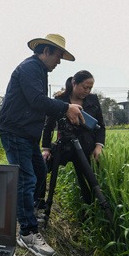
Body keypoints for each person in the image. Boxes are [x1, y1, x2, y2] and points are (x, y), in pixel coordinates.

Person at [0, 34, 84, 256]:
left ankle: (30, 213)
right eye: (58, 56)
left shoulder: (39, 70)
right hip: (15, 132)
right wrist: (66, 107)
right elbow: (36, 100)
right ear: (45, 51)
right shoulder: (30, 68)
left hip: (26, 133)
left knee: (39, 171)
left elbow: (38, 104)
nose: (59, 62)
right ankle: (26, 233)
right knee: (26, 179)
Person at [41, 70, 106, 205]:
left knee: (88, 182)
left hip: (86, 147)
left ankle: (89, 210)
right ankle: (39, 201)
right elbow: (48, 126)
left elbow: (101, 125)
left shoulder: (93, 100)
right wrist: (46, 148)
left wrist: (99, 146)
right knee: (41, 167)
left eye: (90, 88)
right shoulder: (60, 100)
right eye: (84, 87)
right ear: (74, 83)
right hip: (64, 146)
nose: (87, 91)